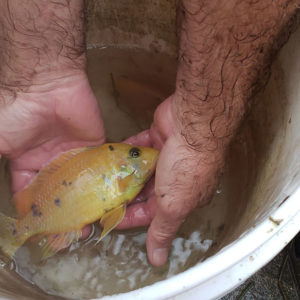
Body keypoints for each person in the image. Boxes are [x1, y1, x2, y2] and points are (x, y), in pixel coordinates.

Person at [0, 0, 298, 267]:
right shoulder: (126, 174)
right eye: (134, 154)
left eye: (134, 154)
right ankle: (14, 234)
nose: (140, 155)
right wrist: (39, 80)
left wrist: (201, 136)